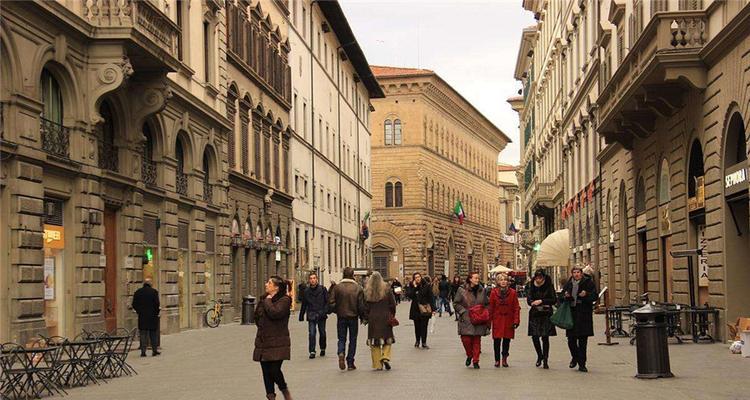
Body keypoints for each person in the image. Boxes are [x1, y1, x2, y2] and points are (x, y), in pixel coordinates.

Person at [253, 276, 292, 400]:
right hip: (264, 340)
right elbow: (257, 316)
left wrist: (268, 301)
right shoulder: (264, 299)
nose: (266, 284)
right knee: (265, 371)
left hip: (278, 341)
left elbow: (275, 313)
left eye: (269, 283)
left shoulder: (285, 300)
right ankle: (270, 396)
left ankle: (284, 390)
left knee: (274, 370)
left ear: (276, 287)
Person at [328, 267, 365, 371]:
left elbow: (331, 303)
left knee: (341, 338)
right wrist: (363, 317)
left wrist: (337, 310)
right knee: (353, 339)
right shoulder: (358, 288)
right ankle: (350, 362)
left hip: (341, 317)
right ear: (352, 275)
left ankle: (341, 352)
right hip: (353, 317)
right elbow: (361, 305)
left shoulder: (337, 288)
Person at [563, 266, 597, 372]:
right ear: (572, 274)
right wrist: (566, 296)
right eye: (574, 272)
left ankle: (582, 364)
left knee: (582, 341)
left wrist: (586, 294)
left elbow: (595, 296)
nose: (576, 274)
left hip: (583, 314)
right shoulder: (568, 284)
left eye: (578, 272)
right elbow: (561, 298)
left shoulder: (588, 283)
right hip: (572, 314)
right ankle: (575, 357)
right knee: (571, 339)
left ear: (581, 273)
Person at [453, 272, 490, 368]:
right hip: (466, 318)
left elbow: (487, 303)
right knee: (466, 340)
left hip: (479, 318)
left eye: (478, 278)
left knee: (477, 340)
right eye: (475, 278)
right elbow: (456, 303)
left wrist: (485, 311)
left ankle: (476, 361)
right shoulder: (462, 290)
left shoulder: (482, 290)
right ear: (470, 279)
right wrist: (463, 312)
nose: (477, 280)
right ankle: (469, 355)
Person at [363, 272, 397, 371]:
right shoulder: (387, 289)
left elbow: (365, 307)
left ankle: (377, 364)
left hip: (373, 318)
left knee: (375, 342)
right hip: (385, 317)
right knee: (387, 339)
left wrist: (366, 317)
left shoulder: (368, 291)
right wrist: (392, 314)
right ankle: (385, 357)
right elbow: (393, 304)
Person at [526, 269, 557, 369]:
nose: (538, 280)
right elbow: (529, 298)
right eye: (537, 278)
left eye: (540, 278)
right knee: (534, 336)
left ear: (543, 278)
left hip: (546, 314)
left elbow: (553, 299)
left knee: (545, 337)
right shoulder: (532, 285)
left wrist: (541, 301)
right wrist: (531, 302)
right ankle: (540, 356)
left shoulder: (548, 285)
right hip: (535, 314)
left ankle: (546, 359)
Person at [488, 273, 520, 368]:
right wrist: (489, 322)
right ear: (498, 281)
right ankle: (497, 359)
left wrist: (516, 320)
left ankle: (504, 358)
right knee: (496, 341)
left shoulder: (513, 293)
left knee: (507, 340)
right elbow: (491, 308)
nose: (503, 281)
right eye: (501, 280)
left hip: (508, 319)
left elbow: (516, 307)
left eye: (505, 280)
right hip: (497, 319)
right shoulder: (493, 292)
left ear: (508, 282)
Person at [299, 272, 328, 359]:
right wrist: (301, 315)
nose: (312, 280)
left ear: (317, 279)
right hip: (311, 314)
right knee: (312, 333)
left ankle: (323, 348)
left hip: (321, 314)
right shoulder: (306, 291)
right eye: (311, 278)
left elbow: (327, 302)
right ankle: (312, 351)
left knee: (322, 333)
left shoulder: (323, 289)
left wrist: (324, 311)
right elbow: (304, 304)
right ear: (309, 280)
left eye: (314, 278)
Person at [132, 278, 160, 357]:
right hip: (152, 316)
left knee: (143, 334)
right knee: (153, 334)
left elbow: (134, 304)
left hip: (142, 316)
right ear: (150, 284)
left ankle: (143, 352)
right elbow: (157, 304)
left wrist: (139, 311)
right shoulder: (154, 292)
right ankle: (154, 350)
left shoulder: (138, 292)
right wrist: (156, 312)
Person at [406, 272, 434, 349]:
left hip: (425, 308)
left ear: (421, 277)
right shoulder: (412, 286)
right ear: (414, 279)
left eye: (419, 277)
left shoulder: (427, 285)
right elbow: (410, 296)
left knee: (424, 326)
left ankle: (424, 342)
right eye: (416, 277)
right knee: (417, 326)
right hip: (415, 309)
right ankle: (417, 341)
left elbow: (431, 297)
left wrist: (433, 309)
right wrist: (415, 287)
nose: (418, 278)